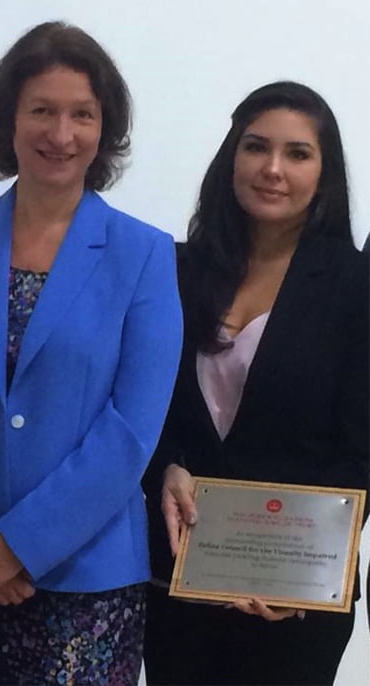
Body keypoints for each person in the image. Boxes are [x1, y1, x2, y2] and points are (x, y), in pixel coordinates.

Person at [0, 21, 182, 685]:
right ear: (9, 119)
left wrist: (19, 545)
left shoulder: (144, 255)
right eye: (42, 110)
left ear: (105, 128)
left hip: (86, 584)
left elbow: (131, 430)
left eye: (82, 114)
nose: (61, 133)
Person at [143, 81, 369, 686]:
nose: (273, 169)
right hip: (176, 580)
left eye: (298, 153)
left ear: (325, 173)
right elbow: (143, 410)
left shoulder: (356, 285)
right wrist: (166, 467)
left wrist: (309, 572)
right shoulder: (173, 269)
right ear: (231, 157)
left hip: (294, 600)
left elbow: (361, 449)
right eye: (256, 147)